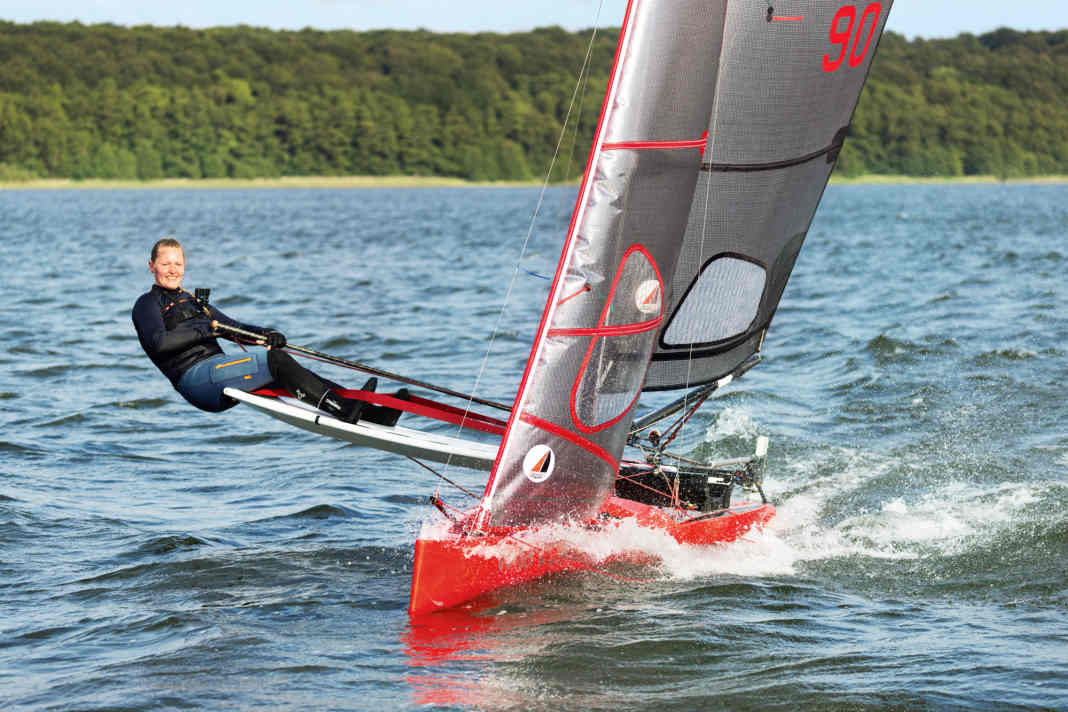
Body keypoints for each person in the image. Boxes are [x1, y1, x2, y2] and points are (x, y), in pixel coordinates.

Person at [132, 237, 401, 425]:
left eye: (177, 264)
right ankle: (342, 410)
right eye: (165, 264)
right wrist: (204, 331)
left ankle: (372, 414)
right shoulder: (146, 303)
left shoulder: (194, 300)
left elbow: (232, 328)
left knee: (293, 370)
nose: (172, 270)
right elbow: (159, 344)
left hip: (220, 369)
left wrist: (266, 334)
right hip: (195, 380)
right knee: (275, 361)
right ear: (151, 266)